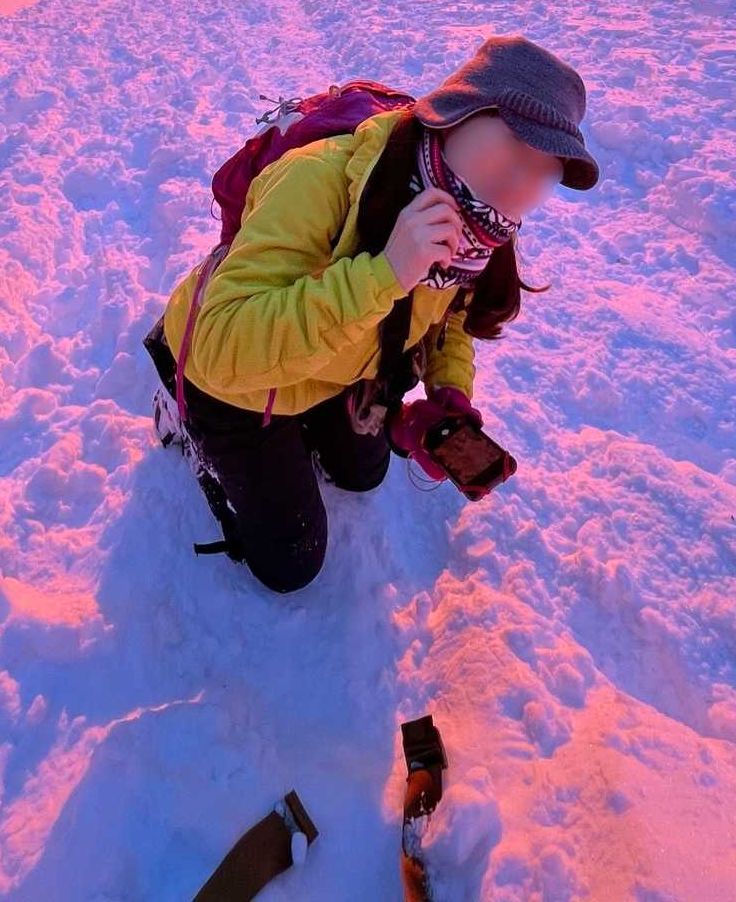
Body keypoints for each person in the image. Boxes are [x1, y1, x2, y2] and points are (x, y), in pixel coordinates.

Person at [152, 34, 600, 594]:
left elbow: (451, 317)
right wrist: (386, 274)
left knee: (364, 474)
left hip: (333, 360)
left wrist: (449, 391)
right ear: (455, 117)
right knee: (290, 564)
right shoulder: (317, 180)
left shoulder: (479, 222)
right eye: (512, 146)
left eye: (545, 168)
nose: (522, 183)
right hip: (229, 373)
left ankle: (297, 427)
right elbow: (222, 348)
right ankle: (180, 401)